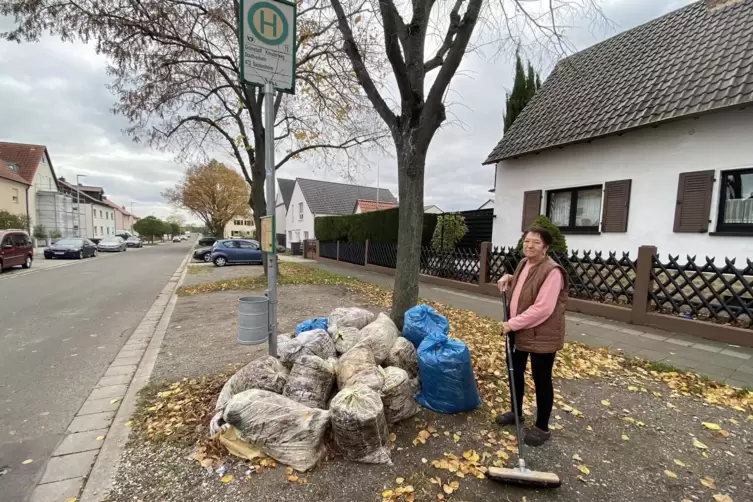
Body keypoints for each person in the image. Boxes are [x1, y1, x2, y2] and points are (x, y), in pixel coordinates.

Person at [495, 226, 568, 446]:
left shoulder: (553, 272)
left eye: (536, 242)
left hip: (541, 335)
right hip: (520, 331)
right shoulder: (523, 264)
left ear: (545, 248)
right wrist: (509, 278)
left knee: (541, 379)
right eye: (527, 241)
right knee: (515, 372)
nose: (530, 245)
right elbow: (525, 283)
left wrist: (511, 324)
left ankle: (542, 427)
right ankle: (516, 413)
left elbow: (543, 308)